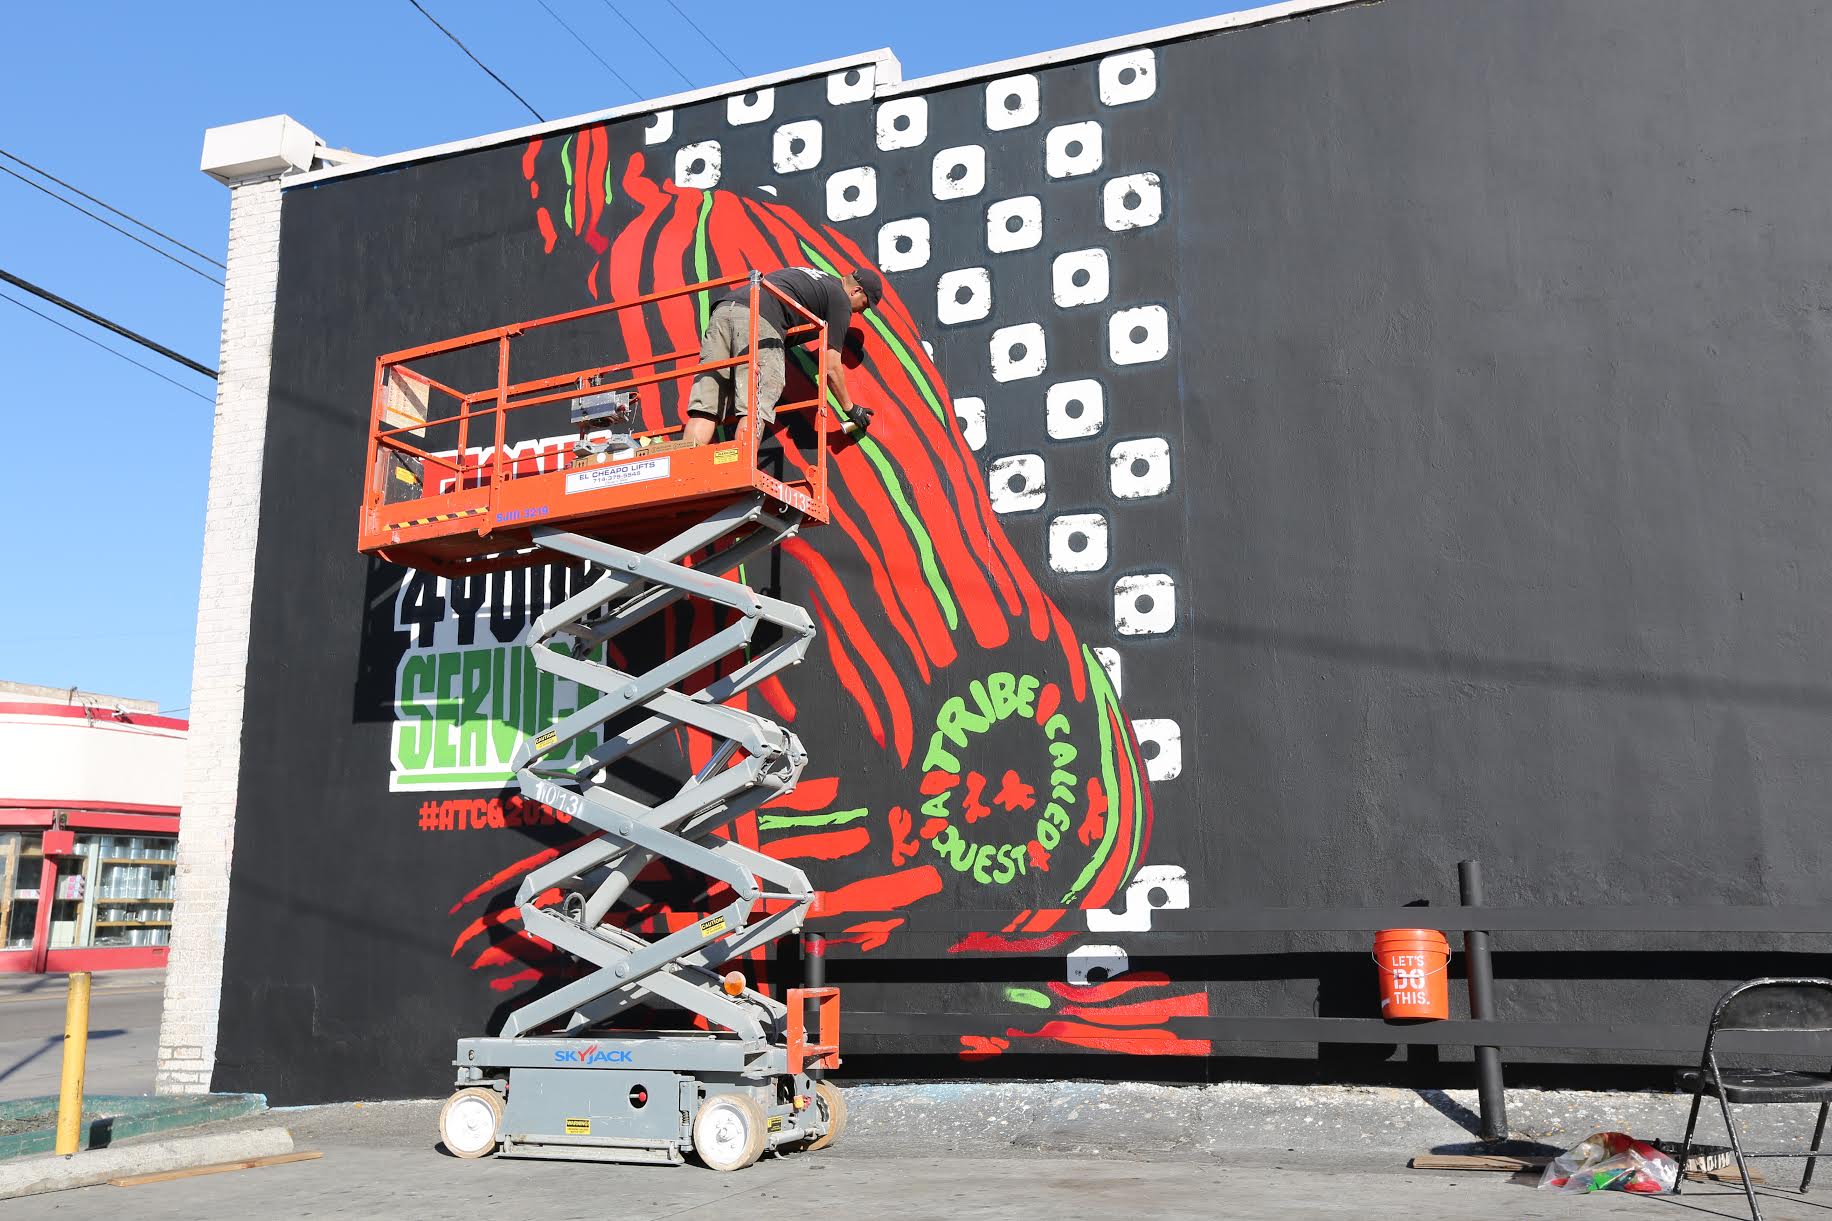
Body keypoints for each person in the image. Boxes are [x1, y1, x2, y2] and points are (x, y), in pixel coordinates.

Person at [681, 266, 882, 446]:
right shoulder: (840, 298)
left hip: (724, 311)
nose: (860, 313)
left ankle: (686, 470)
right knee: (756, 405)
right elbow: (830, 367)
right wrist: (850, 408)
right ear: (856, 290)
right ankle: (741, 467)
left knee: (707, 404)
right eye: (863, 306)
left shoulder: (816, 277)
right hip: (759, 320)